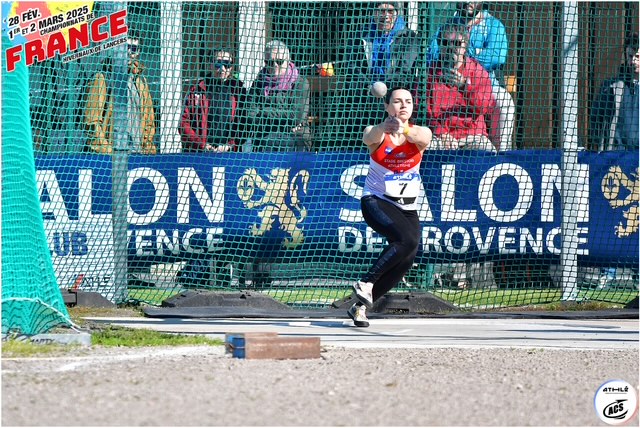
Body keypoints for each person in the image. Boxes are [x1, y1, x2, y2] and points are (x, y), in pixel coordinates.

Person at [349, 86, 433, 328]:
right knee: (406, 240)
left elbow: (423, 138)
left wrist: (403, 128)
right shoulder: (377, 133)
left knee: (408, 255)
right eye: (397, 101)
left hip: (406, 207)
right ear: (387, 106)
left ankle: (361, 307)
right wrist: (382, 128)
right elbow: (369, 138)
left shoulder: (420, 133)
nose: (404, 105)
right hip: (376, 201)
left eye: (408, 101)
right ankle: (365, 283)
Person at [327, 2, 420, 149]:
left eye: (390, 11)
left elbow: (405, 71)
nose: (386, 16)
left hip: (394, 100)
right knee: (363, 141)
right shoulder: (359, 35)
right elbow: (352, 67)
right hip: (364, 100)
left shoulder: (408, 36)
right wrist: (370, 86)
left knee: (392, 144)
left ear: (397, 13)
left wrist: (385, 87)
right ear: (373, 14)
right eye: (380, 12)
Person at [426, 2, 515, 151]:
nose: (468, 2)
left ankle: (502, 154)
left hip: (485, 86)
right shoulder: (446, 26)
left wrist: (466, 64)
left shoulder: (493, 25)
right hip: (445, 84)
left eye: (457, 43)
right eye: (446, 43)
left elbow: (495, 57)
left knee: (504, 100)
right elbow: (432, 53)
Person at [590, 32, 639, 288]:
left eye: (638, 57)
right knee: (612, 217)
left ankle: (637, 273)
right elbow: (597, 121)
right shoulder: (612, 86)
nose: (634, 61)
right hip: (617, 160)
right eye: (631, 56)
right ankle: (607, 273)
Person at [425, 22, 496, 153]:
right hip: (439, 138)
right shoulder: (430, 74)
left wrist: (464, 87)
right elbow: (422, 111)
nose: (451, 48)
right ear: (440, 46)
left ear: (465, 47)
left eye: (457, 44)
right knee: (426, 147)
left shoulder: (477, 71)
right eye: (446, 43)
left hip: (472, 136)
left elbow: (484, 107)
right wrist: (441, 133)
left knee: (486, 149)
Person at [85, 38, 156, 154]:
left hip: (138, 154)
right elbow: (92, 121)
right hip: (112, 155)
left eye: (133, 49)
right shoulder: (103, 78)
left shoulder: (140, 80)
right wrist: (106, 150)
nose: (128, 53)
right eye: (125, 48)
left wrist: (148, 147)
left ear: (138, 52)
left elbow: (149, 119)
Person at [242, 40, 311, 152]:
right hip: (265, 137)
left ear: (288, 61)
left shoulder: (300, 82)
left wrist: (263, 112)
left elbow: (296, 116)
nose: (274, 66)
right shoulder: (259, 82)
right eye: (269, 62)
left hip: (295, 138)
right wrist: (285, 118)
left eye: (279, 61)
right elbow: (250, 115)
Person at [179, 49, 246, 153]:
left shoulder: (238, 90)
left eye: (227, 64)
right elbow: (183, 123)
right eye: (218, 64)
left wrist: (230, 145)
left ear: (232, 67)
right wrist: (201, 145)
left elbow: (244, 124)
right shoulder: (198, 89)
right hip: (201, 154)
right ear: (210, 64)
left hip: (230, 155)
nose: (222, 69)